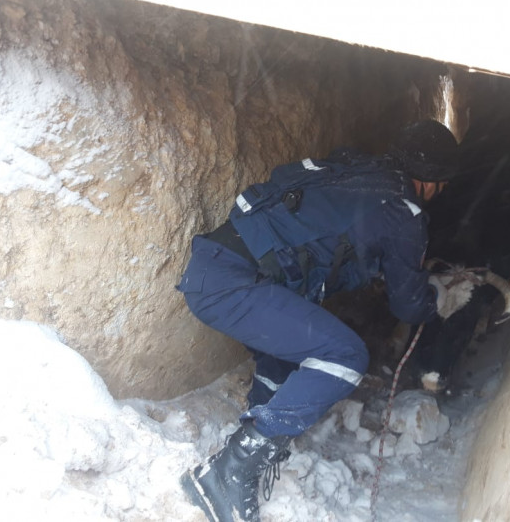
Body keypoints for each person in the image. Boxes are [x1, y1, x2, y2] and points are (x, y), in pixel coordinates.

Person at [176, 119, 460, 522]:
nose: (439, 193)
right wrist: (438, 298)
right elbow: (408, 306)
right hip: (233, 286)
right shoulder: (404, 212)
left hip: (215, 268)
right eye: (442, 186)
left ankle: (251, 442)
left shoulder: (354, 169)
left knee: (289, 355)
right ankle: (229, 471)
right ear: (429, 180)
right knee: (345, 356)